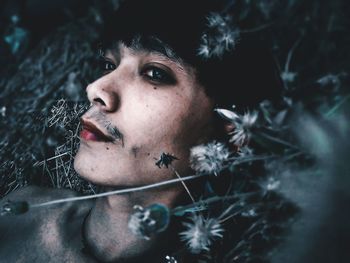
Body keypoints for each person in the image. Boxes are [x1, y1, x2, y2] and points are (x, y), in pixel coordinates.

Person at [0, 0, 282, 262]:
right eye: (109, 64)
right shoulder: (20, 209)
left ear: (231, 134)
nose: (95, 89)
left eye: (155, 73)